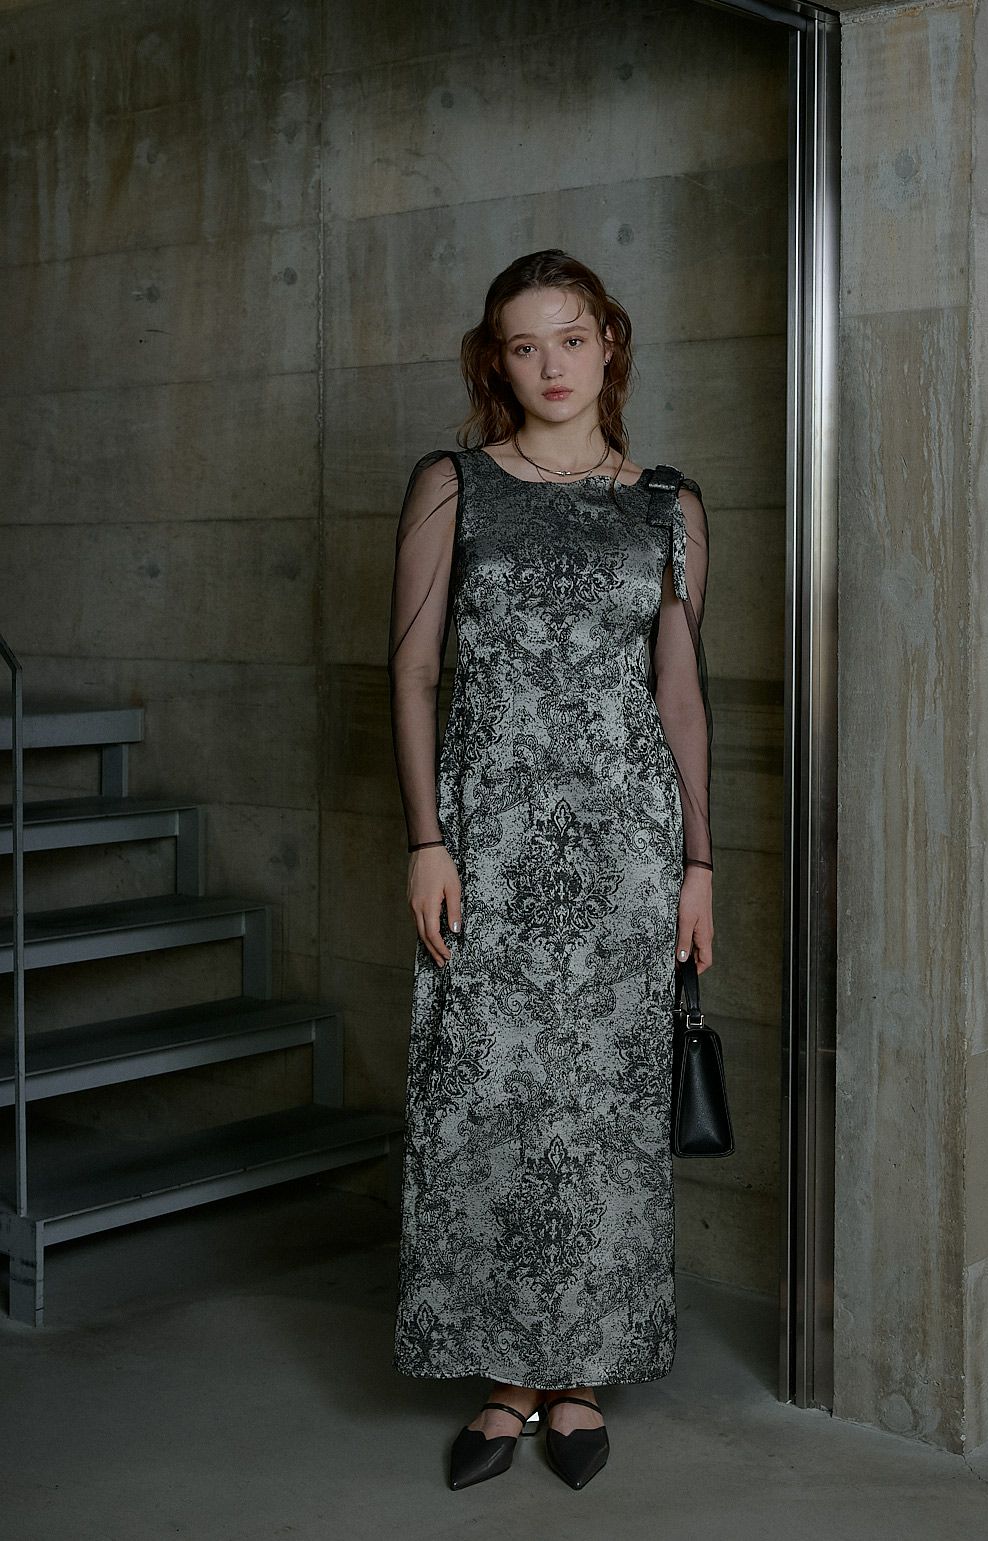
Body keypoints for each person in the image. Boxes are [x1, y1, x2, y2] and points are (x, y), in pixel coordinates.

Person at [386, 248, 714, 1492]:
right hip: (490, 845)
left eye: (571, 338)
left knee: (602, 1113)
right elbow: (414, 672)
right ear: (497, 360)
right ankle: (505, 1374)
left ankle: (578, 1371)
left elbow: (680, 697)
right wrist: (427, 837)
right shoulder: (453, 485)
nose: (552, 365)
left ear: (609, 343)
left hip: (628, 853)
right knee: (488, 1103)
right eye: (525, 346)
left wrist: (699, 864)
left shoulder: (668, 505)